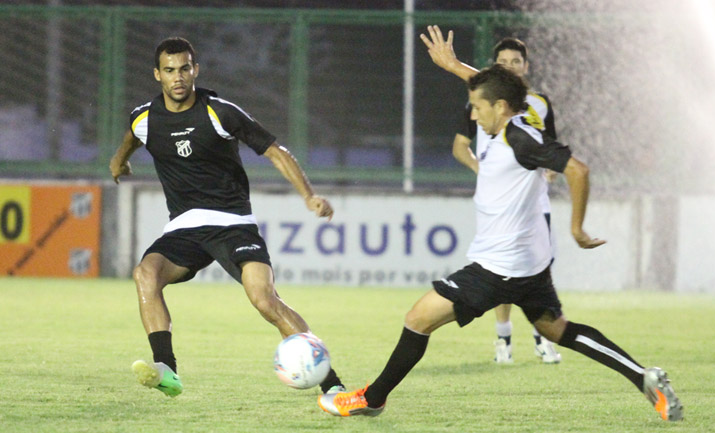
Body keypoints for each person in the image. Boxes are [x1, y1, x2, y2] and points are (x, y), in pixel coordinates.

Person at [317, 64, 683, 422]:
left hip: (499, 268)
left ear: (501, 107)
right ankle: (644, 377)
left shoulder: (520, 138)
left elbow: (578, 170)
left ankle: (371, 399)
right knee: (557, 329)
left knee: (418, 319)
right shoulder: (506, 124)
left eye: (478, 107)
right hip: (527, 266)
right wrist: (453, 66)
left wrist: (577, 229)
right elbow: (493, 87)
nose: (473, 115)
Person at [109, 37, 345, 397]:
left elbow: (275, 151)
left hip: (233, 223)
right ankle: (167, 369)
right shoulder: (144, 117)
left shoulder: (219, 112)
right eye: (170, 70)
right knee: (145, 274)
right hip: (184, 228)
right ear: (157, 74)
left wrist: (309, 195)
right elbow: (132, 137)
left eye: (184, 68)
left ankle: (333, 385)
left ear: (195, 70)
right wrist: (119, 161)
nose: (178, 77)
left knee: (264, 300)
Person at [429, 28, 561, 364]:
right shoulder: (481, 104)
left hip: (535, 200)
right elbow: (460, 146)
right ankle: (504, 338)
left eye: (516, 61)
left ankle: (544, 338)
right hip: (500, 202)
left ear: (526, 66)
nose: (510, 66)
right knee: (501, 269)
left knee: (538, 270)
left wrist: (550, 168)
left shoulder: (540, 104)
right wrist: (481, 169)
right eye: (503, 61)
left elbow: (553, 150)